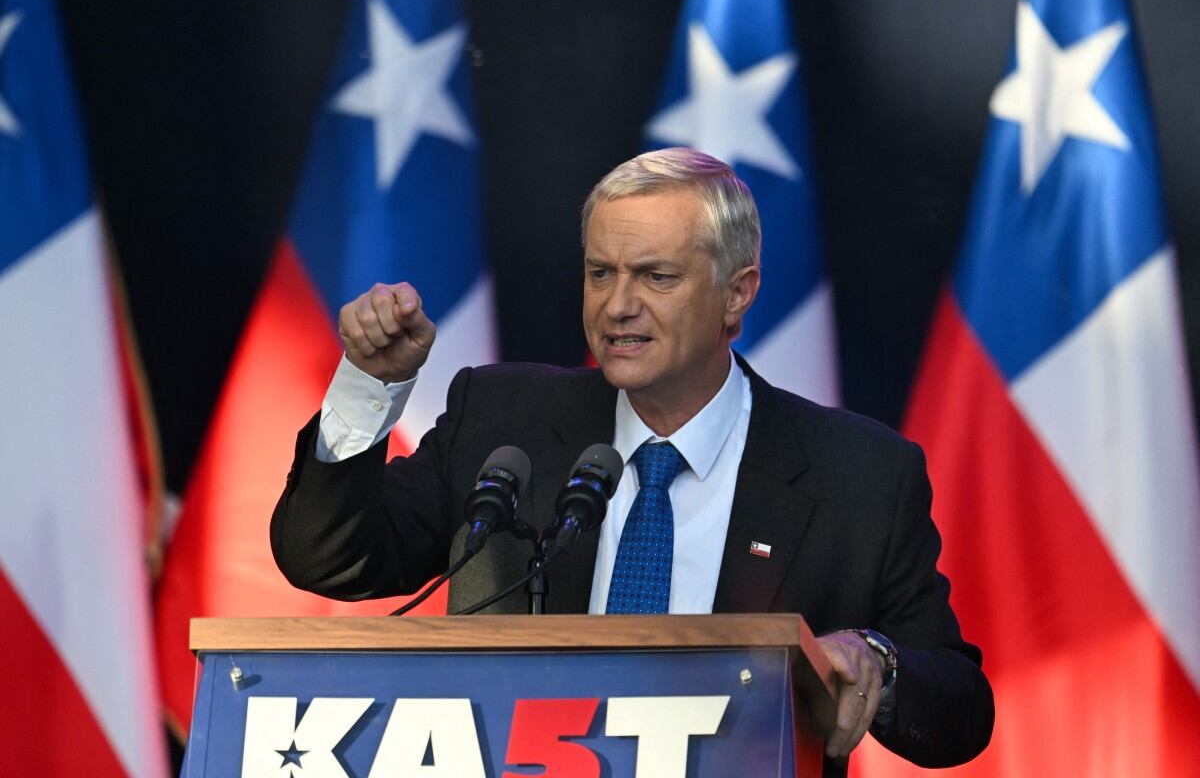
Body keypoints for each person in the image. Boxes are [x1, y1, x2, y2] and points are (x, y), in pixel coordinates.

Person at [271, 147, 994, 772]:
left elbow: (959, 712)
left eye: (656, 277)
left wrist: (879, 664)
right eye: (600, 273)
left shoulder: (858, 474)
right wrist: (370, 385)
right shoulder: (501, 421)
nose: (617, 305)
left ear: (737, 295)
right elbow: (330, 558)